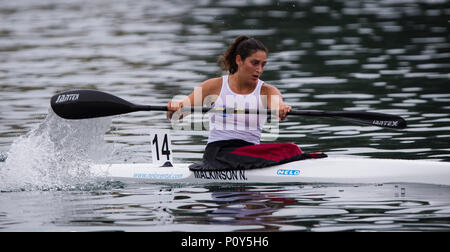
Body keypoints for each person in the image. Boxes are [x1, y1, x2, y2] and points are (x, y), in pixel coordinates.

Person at [167, 36, 326, 171]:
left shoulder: (267, 91)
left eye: (263, 64)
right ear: (239, 60)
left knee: (291, 148)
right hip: (218, 153)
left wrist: (281, 109)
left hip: (249, 152)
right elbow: (176, 115)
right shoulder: (214, 86)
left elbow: (277, 104)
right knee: (290, 150)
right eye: (255, 63)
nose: (259, 69)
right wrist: (174, 108)